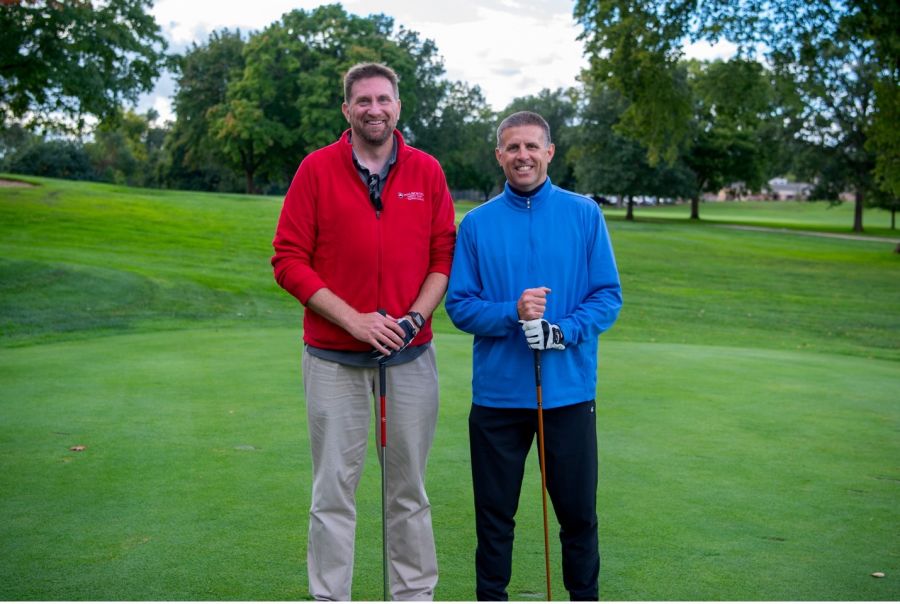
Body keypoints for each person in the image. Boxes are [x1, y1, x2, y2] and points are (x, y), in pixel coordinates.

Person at [271, 62, 456, 601]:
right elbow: (287, 259)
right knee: (333, 492)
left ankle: (413, 594)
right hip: (333, 359)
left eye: (384, 99)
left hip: (411, 358)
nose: (375, 109)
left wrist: (414, 318)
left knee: (409, 493)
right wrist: (354, 319)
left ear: (398, 106)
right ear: (347, 109)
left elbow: (442, 255)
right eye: (363, 101)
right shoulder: (316, 170)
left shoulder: (426, 171)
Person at [445, 111, 622, 601]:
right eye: (512, 147)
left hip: (567, 394)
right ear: (499, 155)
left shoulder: (584, 214)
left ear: (549, 152)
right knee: (495, 518)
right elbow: (460, 305)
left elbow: (607, 296)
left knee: (579, 516)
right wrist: (513, 314)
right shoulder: (477, 224)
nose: (522, 156)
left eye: (531, 146)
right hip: (498, 399)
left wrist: (561, 331)